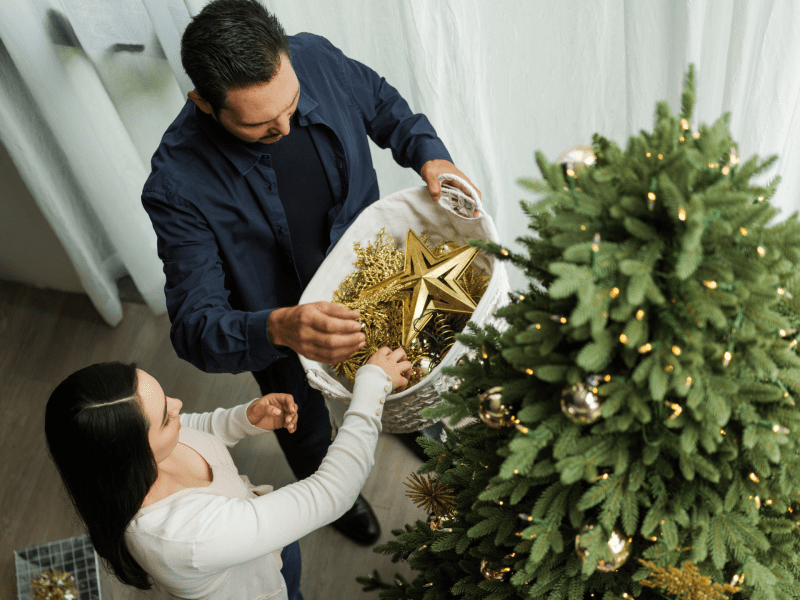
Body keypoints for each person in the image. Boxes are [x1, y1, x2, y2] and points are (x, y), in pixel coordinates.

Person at [141, 0, 480, 545]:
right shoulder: (176, 185)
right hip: (284, 325)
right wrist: (278, 328)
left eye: (293, 104)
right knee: (304, 422)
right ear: (203, 103)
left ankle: (410, 420)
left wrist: (428, 154)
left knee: (400, 364)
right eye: (261, 126)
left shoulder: (315, 55)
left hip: (378, 275)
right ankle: (331, 497)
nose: (287, 124)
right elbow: (194, 328)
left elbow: (382, 103)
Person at [44, 347, 411, 600]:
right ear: (131, 455)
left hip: (270, 547)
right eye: (166, 417)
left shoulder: (137, 454)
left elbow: (191, 426)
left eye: (165, 396)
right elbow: (333, 492)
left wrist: (243, 419)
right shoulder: (184, 538)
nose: (179, 405)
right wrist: (371, 387)